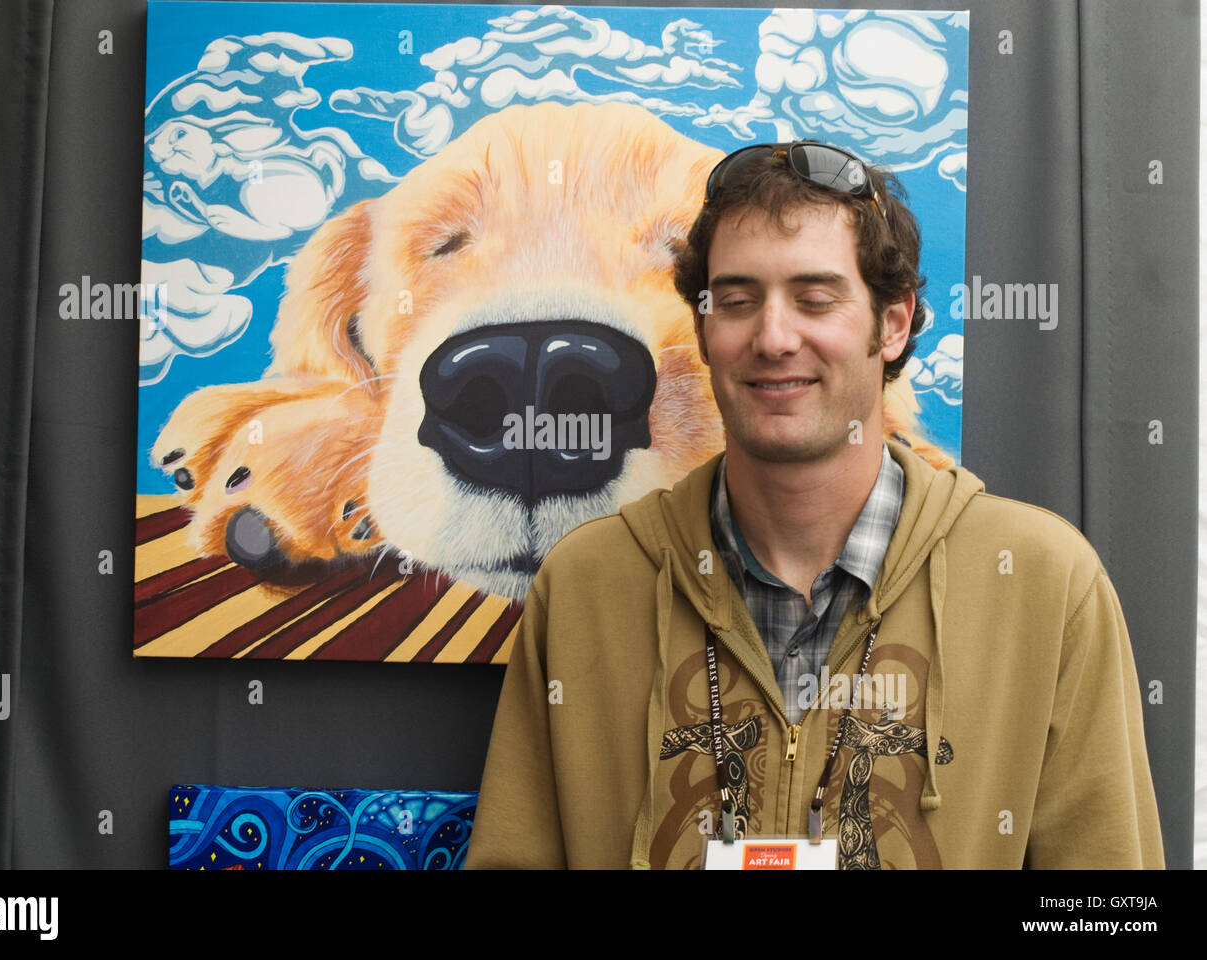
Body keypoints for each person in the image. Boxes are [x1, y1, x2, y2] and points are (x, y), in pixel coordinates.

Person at [463, 142, 1164, 869]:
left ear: (893, 324)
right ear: (703, 330)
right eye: (736, 301)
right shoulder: (587, 584)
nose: (772, 337)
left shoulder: (1045, 585)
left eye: (815, 298)